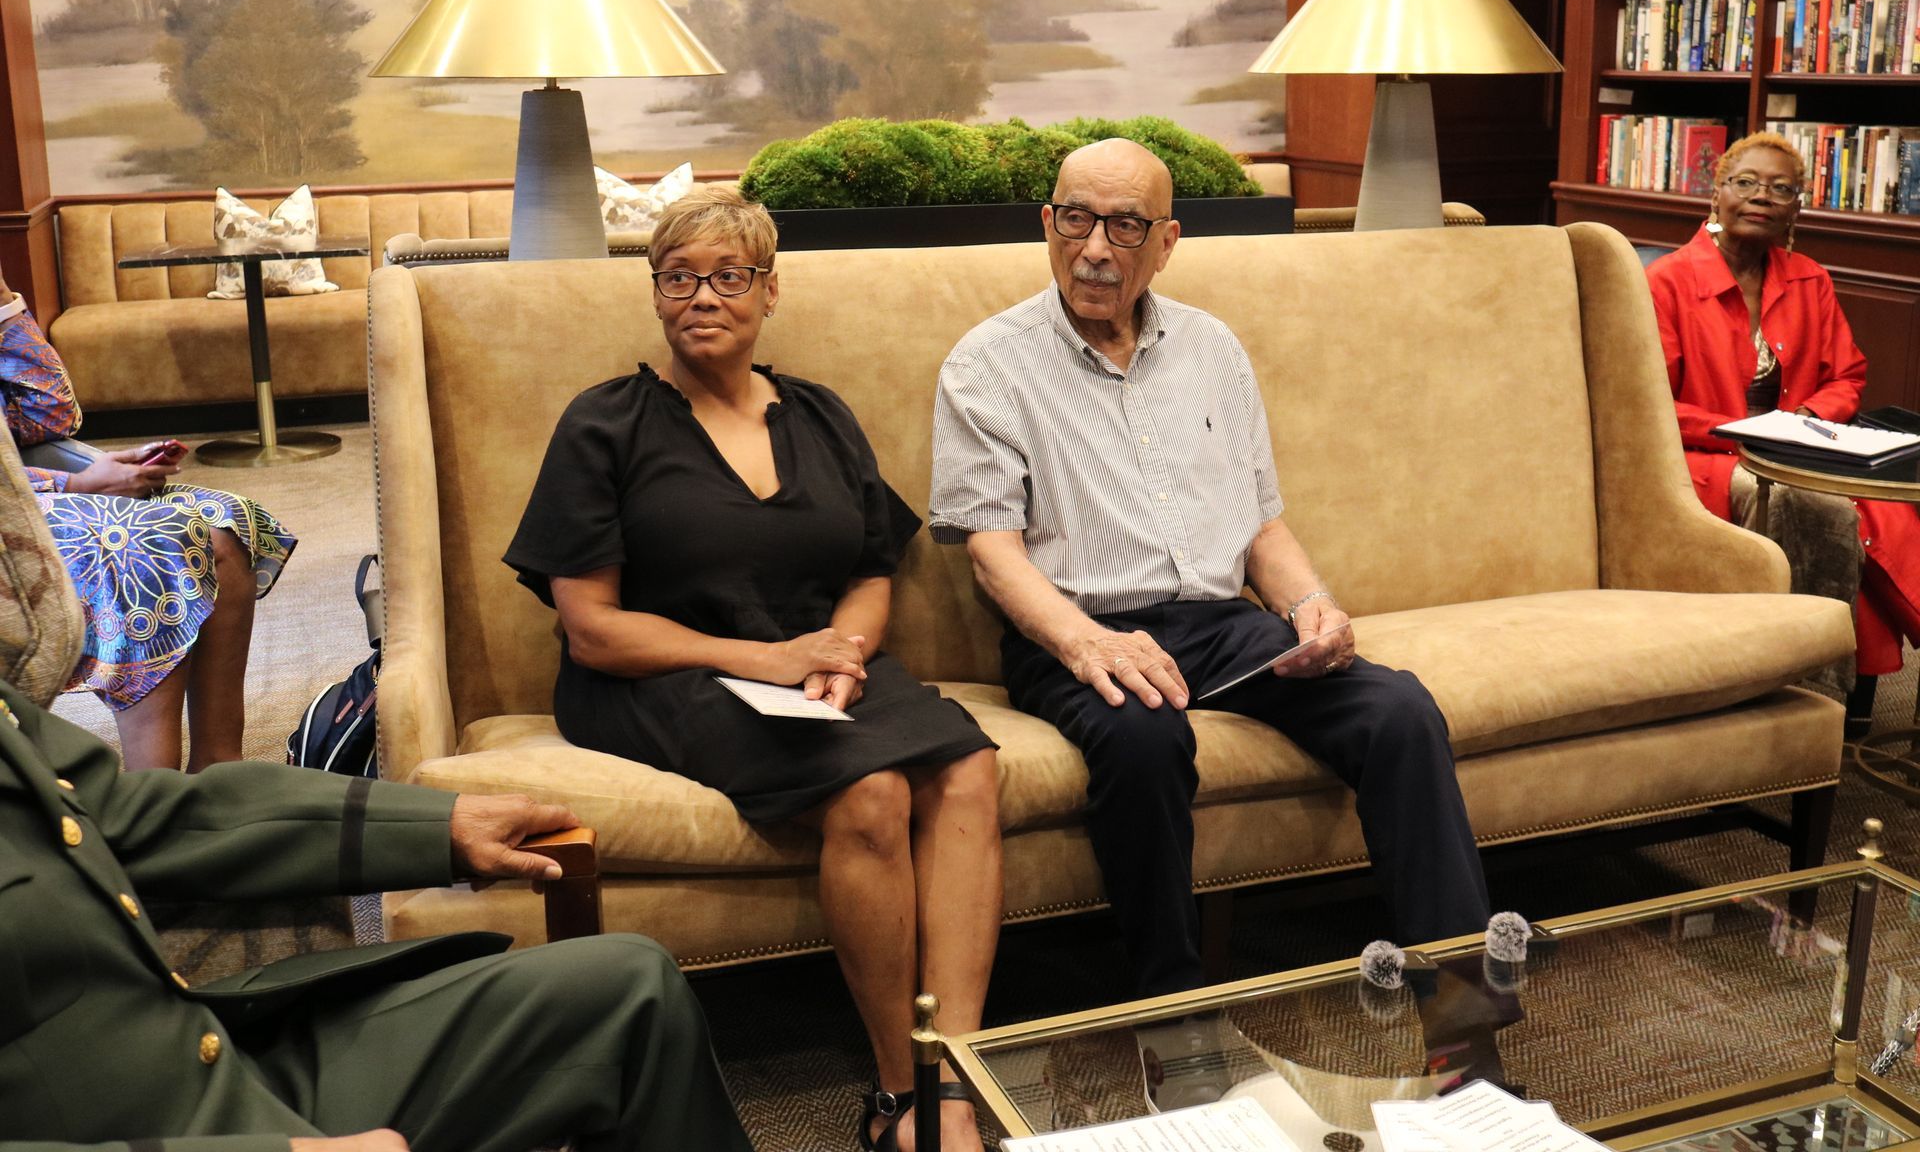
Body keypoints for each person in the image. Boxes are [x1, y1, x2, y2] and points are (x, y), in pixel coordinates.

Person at [930, 138, 1491, 1001]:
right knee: (1144, 739)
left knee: (1399, 711)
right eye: (1075, 220)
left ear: (1166, 242)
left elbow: (1258, 523)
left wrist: (1313, 608)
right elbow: (992, 553)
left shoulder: (1212, 348)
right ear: (1047, 224)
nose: (1094, 249)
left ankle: (1463, 1012)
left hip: (1223, 627)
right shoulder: (988, 363)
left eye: (1125, 227)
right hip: (1074, 633)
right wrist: (1087, 644)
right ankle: (1175, 1015)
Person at [506, 185, 1003, 1152]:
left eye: (729, 276)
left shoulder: (819, 414)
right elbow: (593, 631)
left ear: (770, 291)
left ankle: (952, 1078)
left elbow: (870, 570)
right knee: (871, 792)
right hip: (656, 678)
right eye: (678, 278)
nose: (703, 296)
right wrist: (769, 660)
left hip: (814, 667)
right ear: (655, 294)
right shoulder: (606, 423)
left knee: (969, 769)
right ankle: (897, 1098)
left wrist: (843, 655)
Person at [0, 677, 756, 1152]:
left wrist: (438, 825)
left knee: (628, 989)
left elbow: (126, 812)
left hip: (213, 1059)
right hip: (146, 1134)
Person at [1647, 131, 1920, 720]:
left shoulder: (1809, 278)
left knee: (1884, 503)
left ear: (1796, 208)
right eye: (1745, 182)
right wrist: (1745, 432)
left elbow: (1846, 375)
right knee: (1812, 504)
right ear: (1716, 194)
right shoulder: (1666, 281)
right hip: (1702, 454)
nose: (1761, 197)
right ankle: (1810, 691)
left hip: (1802, 446)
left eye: (1780, 189)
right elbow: (1647, 404)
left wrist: (1805, 421)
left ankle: (1837, 694)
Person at [0, 281, 294, 771]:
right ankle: (155, 793)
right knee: (153, 544)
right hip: (13, 509)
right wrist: (77, 483)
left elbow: (50, 416)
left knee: (224, 522)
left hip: (24, 483)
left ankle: (220, 771)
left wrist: (4, 304)